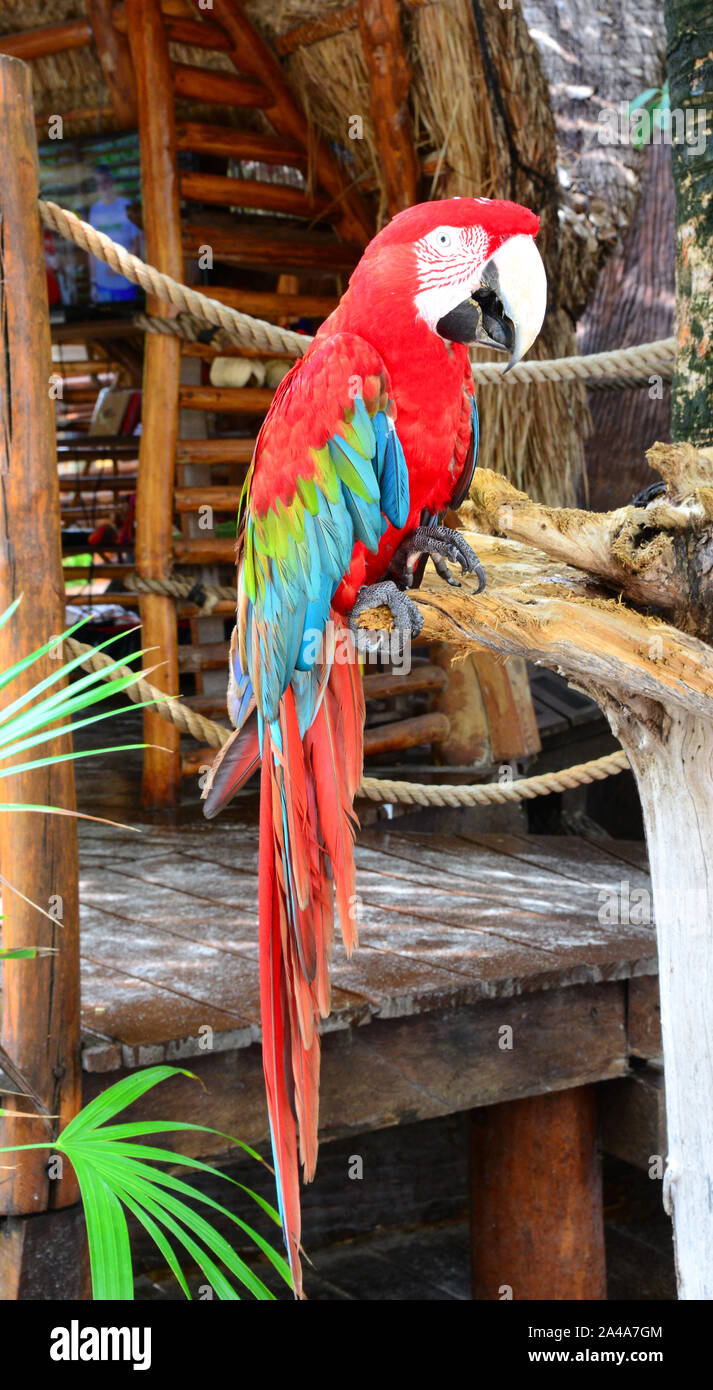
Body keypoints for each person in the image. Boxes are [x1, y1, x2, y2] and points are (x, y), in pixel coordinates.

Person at [87, 165, 140, 303]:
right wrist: (93, 283)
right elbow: (92, 250)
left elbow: (136, 245)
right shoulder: (94, 211)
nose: (102, 187)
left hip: (126, 283)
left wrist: (120, 268)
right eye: (98, 183)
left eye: (105, 181)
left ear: (112, 182)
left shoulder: (126, 206)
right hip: (103, 285)